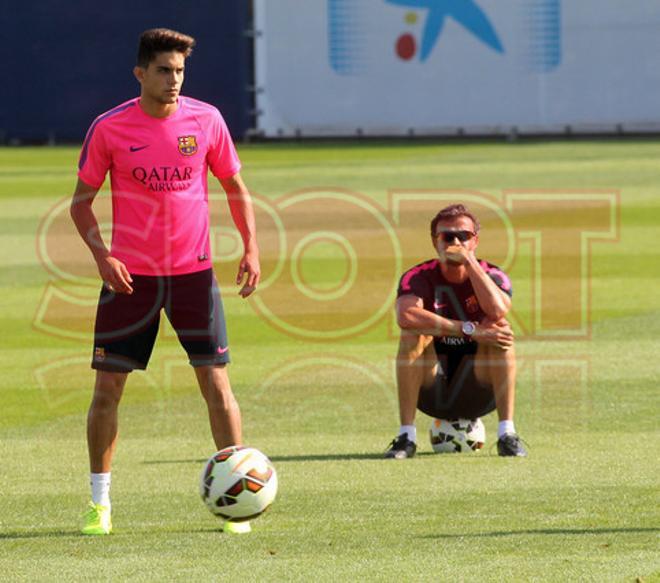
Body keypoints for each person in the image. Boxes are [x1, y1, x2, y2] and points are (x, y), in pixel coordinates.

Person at [70, 28, 259, 535]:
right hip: (130, 280)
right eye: (163, 70)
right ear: (140, 73)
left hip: (195, 275)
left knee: (216, 384)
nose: (174, 80)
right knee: (107, 389)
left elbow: (234, 187)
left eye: (179, 71)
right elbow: (80, 202)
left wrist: (251, 247)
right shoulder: (109, 128)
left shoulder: (207, 120)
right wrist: (103, 256)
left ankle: (236, 500)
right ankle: (99, 503)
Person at [384, 204, 527, 459]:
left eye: (464, 236)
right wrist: (469, 330)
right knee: (411, 335)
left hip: (481, 388)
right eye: (447, 236)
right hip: (432, 389)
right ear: (434, 241)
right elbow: (405, 316)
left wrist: (469, 262)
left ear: (476, 241)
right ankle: (406, 437)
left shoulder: (493, 275)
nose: (456, 241)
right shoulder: (418, 277)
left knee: (501, 330)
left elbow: (497, 309)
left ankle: (507, 434)